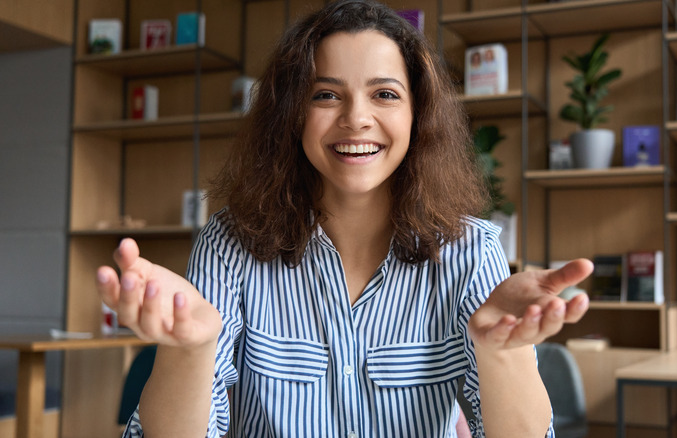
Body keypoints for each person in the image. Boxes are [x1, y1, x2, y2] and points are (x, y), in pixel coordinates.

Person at [96, 1, 593, 437]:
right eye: (326, 95)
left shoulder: (471, 251)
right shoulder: (230, 242)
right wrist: (191, 350)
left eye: (385, 94)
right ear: (291, 113)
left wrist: (499, 352)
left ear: (418, 115)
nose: (356, 118)